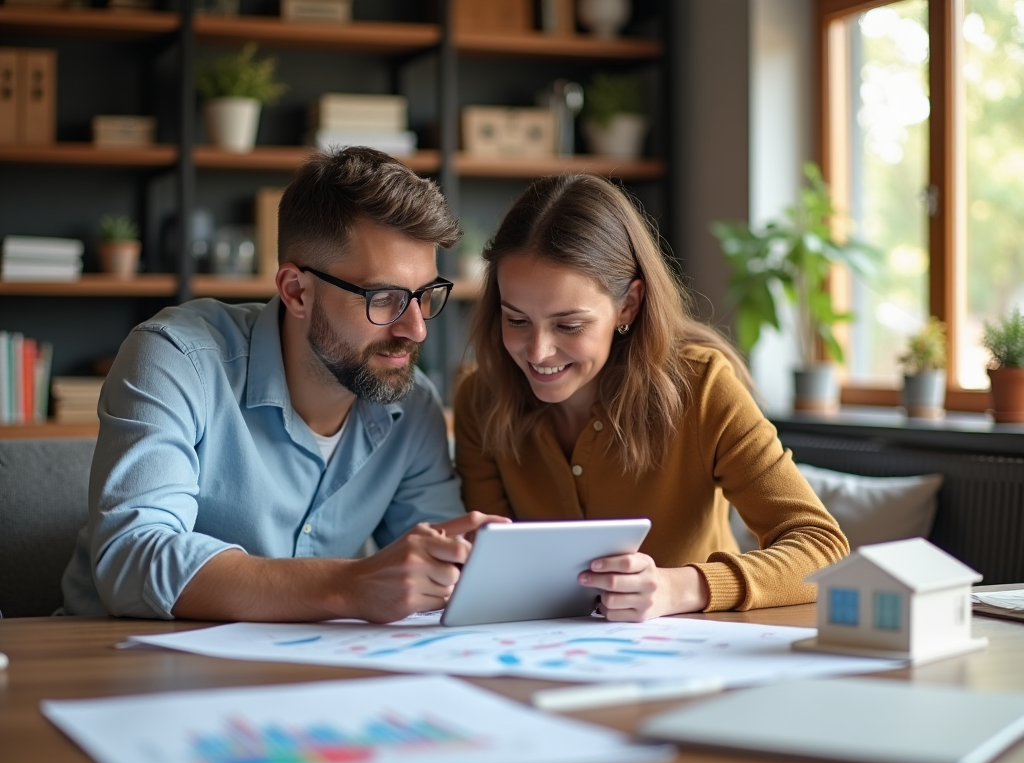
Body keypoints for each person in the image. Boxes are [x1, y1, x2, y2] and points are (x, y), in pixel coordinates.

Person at [62, 147, 505, 622]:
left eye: (423, 296)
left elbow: (438, 568)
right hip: (125, 666)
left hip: (309, 671)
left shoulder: (413, 405)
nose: (416, 329)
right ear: (296, 290)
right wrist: (347, 585)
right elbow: (132, 559)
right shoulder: (176, 358)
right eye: (384, 299)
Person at [454, 174, 849, 622]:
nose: (538, 352)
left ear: (629, 304)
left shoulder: (702, 389)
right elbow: (495, 565)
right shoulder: (480, 400)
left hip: (696, 659)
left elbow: (823, 548)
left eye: (568, 325)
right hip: (539, 659)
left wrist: (679, 587)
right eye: (517, 320)